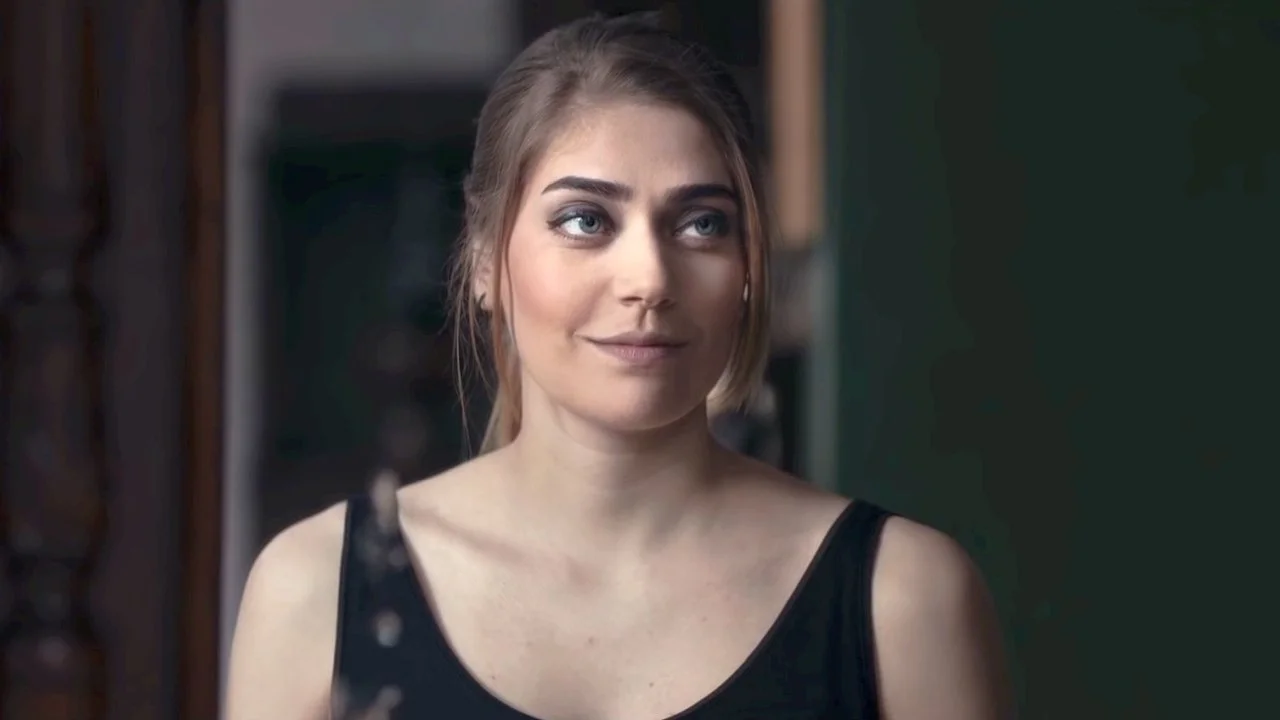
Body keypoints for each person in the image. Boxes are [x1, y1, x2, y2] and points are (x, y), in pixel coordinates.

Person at [226, 13, 1013, 720]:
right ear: (485, 259)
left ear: (749, 264)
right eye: (585, 220)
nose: (650, 279)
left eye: (701, 224)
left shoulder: (902, 600)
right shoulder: (316, 591)